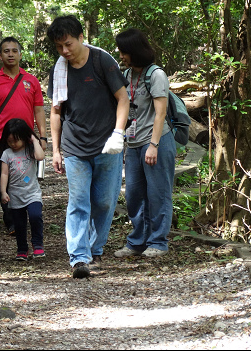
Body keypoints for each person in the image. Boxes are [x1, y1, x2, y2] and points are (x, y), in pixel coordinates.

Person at [46, 15, 129, 279]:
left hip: (107, 145)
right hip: (74, 147)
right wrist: (55, 150)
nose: (65, 51)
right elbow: (56, 111)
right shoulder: (59, 70)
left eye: (68, 44)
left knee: (104, 202)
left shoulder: (101, 61)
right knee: (79, 201)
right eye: (59, 47)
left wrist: (118, 134)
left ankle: (95, 248)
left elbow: (123, 99)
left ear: (81, 38)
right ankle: (79, 258)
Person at [113, 28, 176, 258]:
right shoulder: (127, 75)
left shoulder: (156, 74)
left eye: (124, 51)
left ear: (135, 51)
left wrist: (154, 145)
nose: (121, 55)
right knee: (134, 194)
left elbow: (160, 113)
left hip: (156, 141)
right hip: (133, 143)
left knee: (158, 193)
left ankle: (158, 242)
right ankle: (137, 241)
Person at [0, 36, 47, 235]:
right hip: (1, 136)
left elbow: (39, 110)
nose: (10, 54)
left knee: (27, 175)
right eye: (6, 51)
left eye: (14, 51)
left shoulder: (31, 80)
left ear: (19, 54)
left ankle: (29, 210)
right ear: (0, 55)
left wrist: (42, 137)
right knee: (5, 176)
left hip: (26, 137)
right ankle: (11, 220)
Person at [0, 118, 46, 261]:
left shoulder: (30, 150)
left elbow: (40, 156)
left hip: (32, 193)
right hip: (15, 195)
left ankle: (37, 244)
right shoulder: (7, 154)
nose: (13, 144)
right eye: (10, 141)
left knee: (35, 216)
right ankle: (22, 249)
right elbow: (4, 174)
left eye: (16, 140)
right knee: (19, 224)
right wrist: (3, 191)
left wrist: (34, 139)